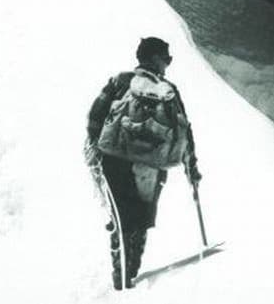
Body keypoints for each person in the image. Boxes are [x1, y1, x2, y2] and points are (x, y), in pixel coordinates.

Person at [85, 37, 201, 290]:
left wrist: (95, 148)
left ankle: (121, 274)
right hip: (151, 165)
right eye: (167, 58)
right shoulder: (168, 90)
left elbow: (95, 116)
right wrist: (191, 169)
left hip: (114, 159)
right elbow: (184, 132)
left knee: (120, 217)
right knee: (142, 217)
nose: (168, 64)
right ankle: (132, 271)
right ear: (156, 59)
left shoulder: (121, 81)